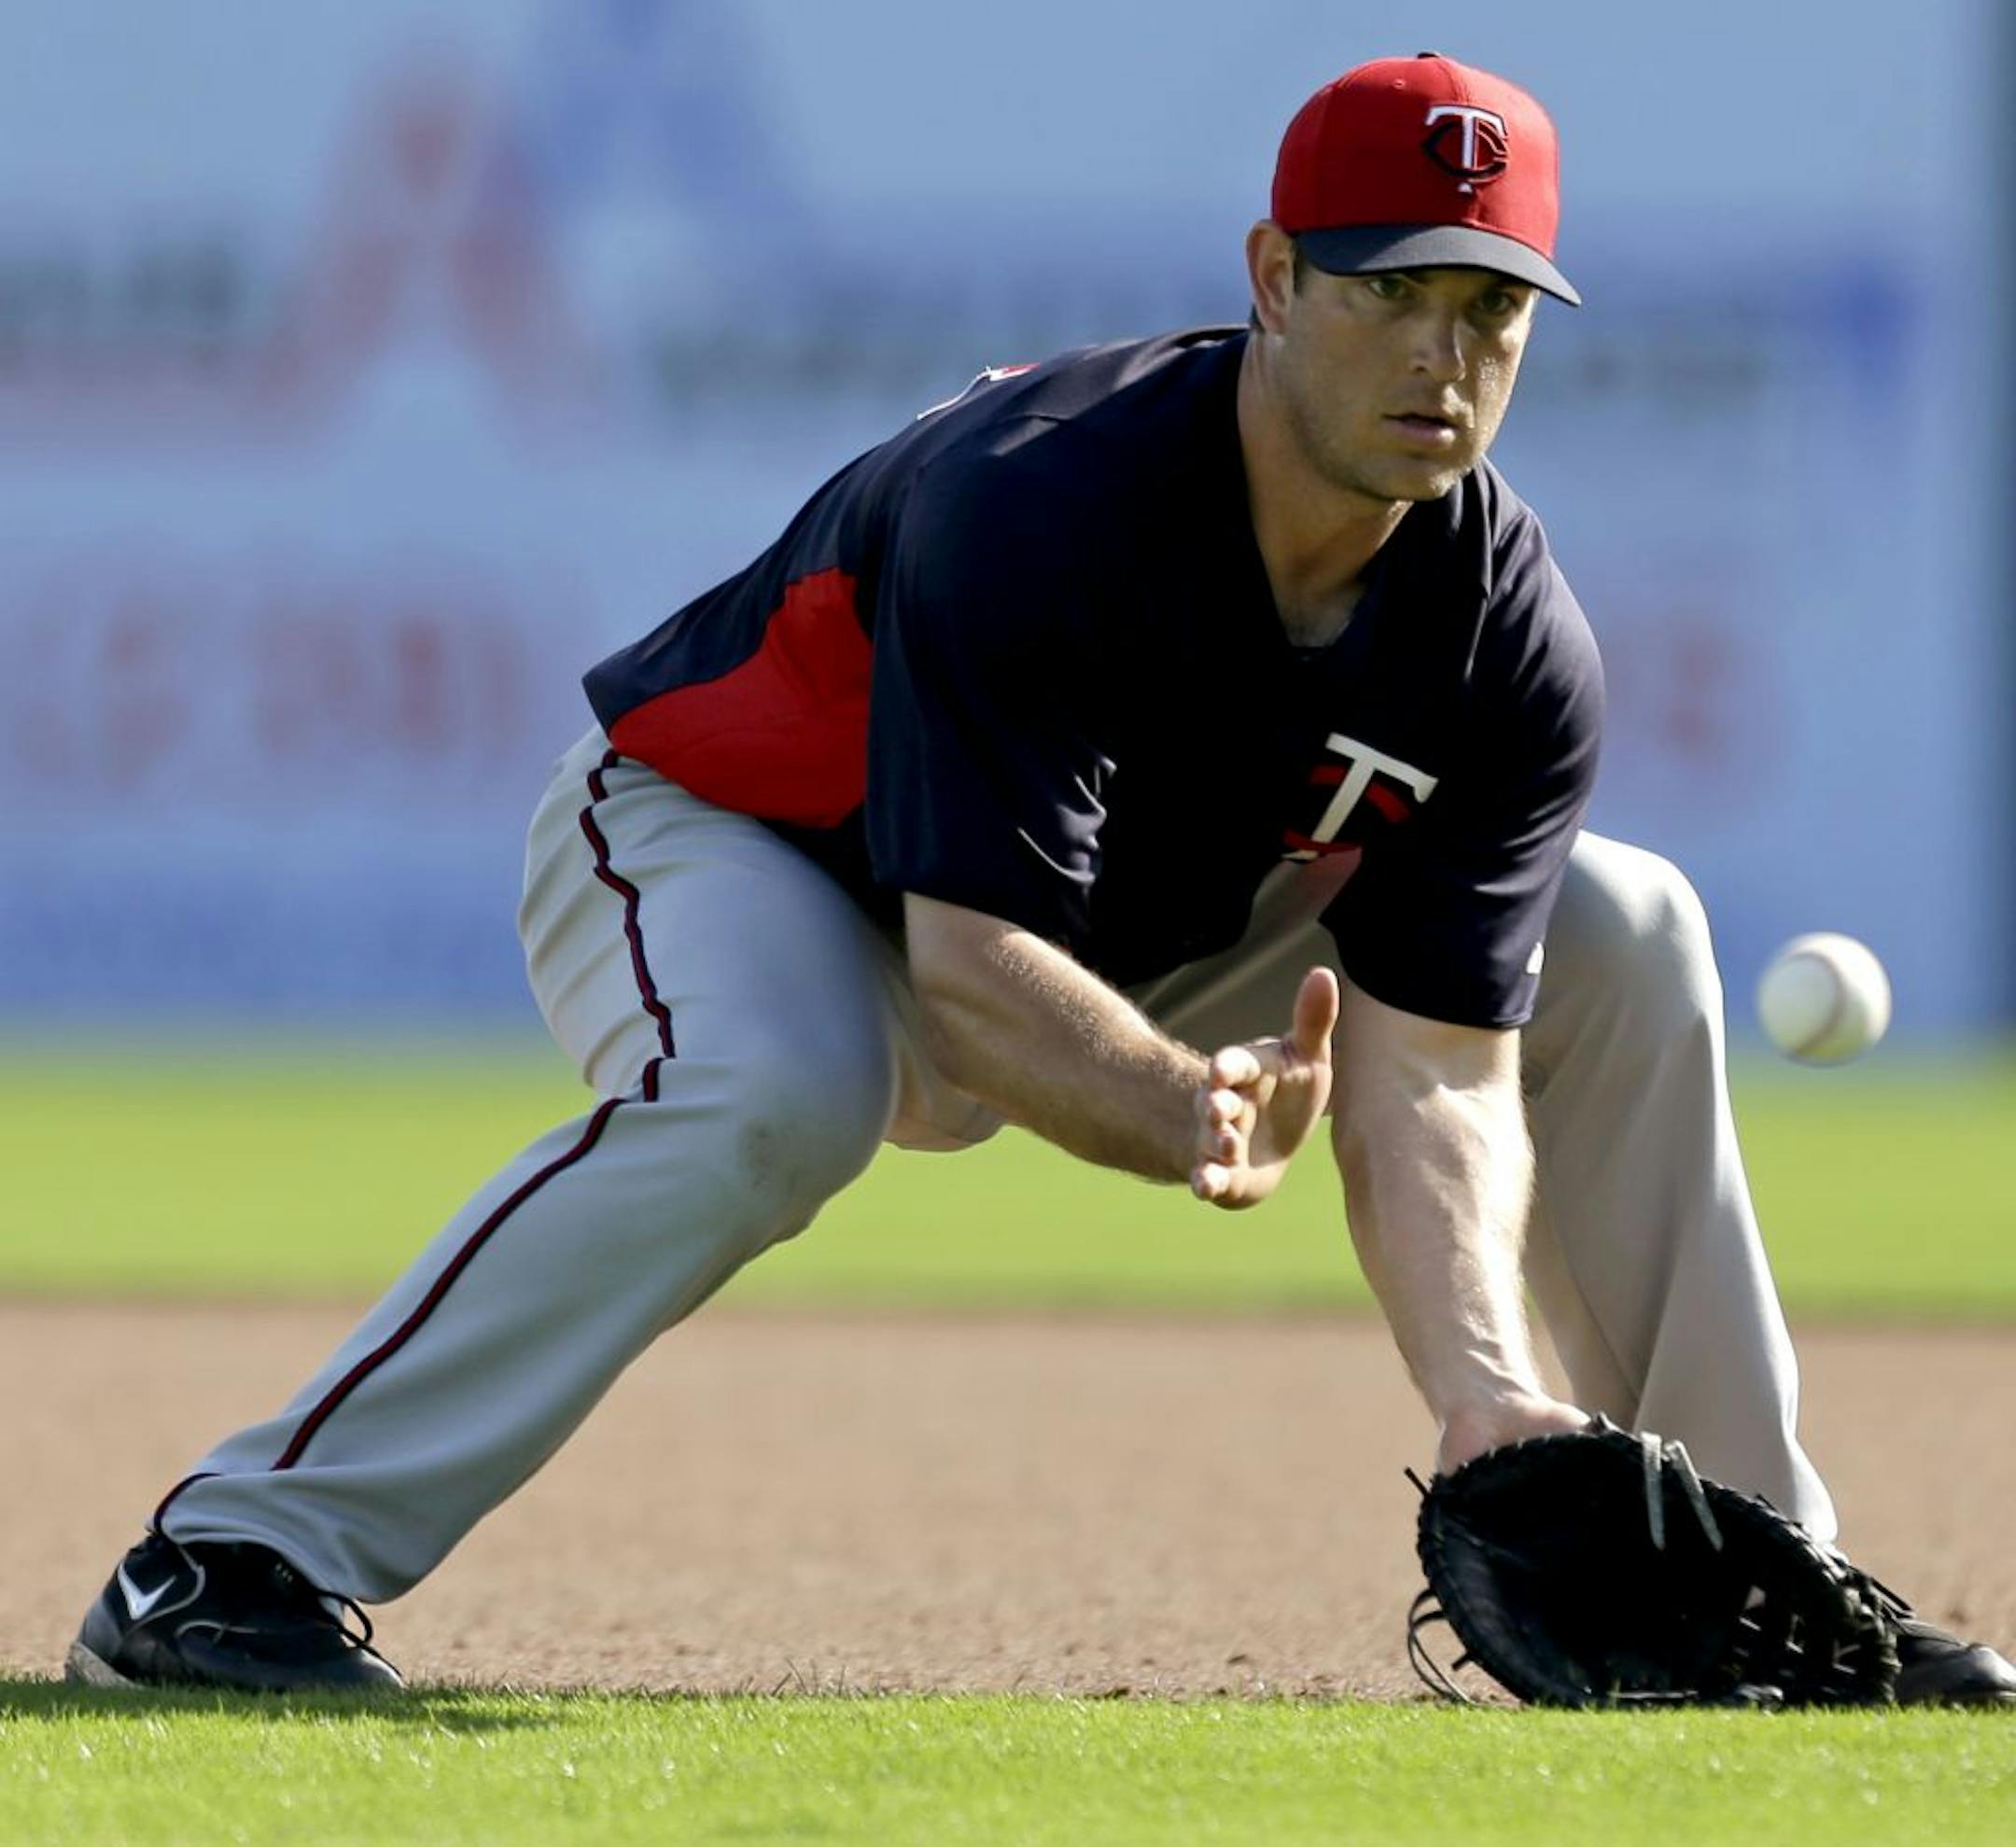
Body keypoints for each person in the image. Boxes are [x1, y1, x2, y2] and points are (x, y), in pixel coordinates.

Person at [68, 52, 2013, 1703]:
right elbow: (979, 978)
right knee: (777, 1091)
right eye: (1390, 287)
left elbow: (1437, 1068)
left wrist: (1485, 1390)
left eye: (1492, 309)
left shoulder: (1502, 631)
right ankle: (221, 1564)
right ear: (1274, 278)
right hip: (739, 845)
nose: (1445, 353)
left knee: (1625, 926)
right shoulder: (1052, 499)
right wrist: (1181, 1108)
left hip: (1115, 944)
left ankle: (1777, 1588)